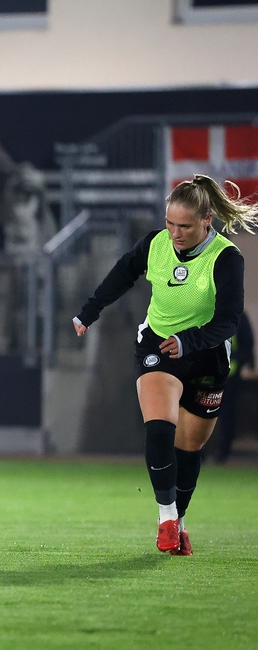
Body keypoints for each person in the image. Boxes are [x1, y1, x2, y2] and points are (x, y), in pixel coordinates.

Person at [73, 174, 257, 556]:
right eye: (171, 223)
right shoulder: (155, 243)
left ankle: (180, 521)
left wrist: (188, 340)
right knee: (159, 427)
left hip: (206, 354)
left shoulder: (226, 257)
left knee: (189, 447)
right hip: (158, 345)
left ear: (207, 220)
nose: (175, 232)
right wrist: (89, 312)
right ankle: (166, 519)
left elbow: (228, 320)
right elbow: (123, 272)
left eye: (185, 226)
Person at [213, 309, 255, 463]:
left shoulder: (237, 314)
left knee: (225, 415)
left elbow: (247, 343)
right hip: (214, 374)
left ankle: (222, 452)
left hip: (228, 375)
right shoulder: (236, 314)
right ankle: (210, 452)